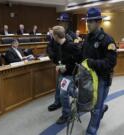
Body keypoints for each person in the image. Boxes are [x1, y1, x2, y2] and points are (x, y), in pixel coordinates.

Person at [81, 7, 117, 135]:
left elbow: (111, 63)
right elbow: (83, 56)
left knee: (96, 108)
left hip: (102, 79)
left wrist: (92, 63)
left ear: (98, 22)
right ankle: (102, 108)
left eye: (90, 21)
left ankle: (91, 131)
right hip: (89, 78)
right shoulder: (87, 38)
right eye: (87, 21)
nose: (88, 24)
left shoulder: (107, 40)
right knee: (91, 104)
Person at [49, 26, 81, 124]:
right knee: (70, 91)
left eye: (52, 35)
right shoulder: (59, 46)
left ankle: (66, 115)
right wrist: (60, 66)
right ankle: (83, 99)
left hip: (70, 74)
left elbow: (79, 59)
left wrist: (66, 67)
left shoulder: (71, 45)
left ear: (55, 35)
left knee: (63, 94)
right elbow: (62, 60)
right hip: (63, 74)